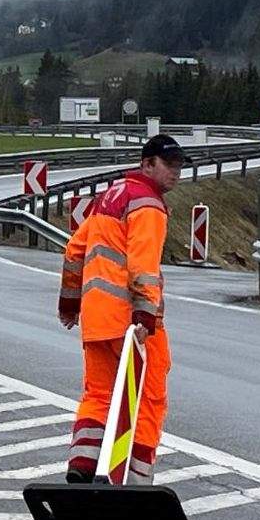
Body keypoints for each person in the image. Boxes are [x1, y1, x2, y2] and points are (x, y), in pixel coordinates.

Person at [58, 133, 186, 484]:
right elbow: (142, 264)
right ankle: (138, 478)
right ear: (147, 164)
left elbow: (74, 251)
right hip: (132, 322)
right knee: (149, 397)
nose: (174, 173)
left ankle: (82, 466)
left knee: (98, 394)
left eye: (178, 166)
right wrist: (145, 315)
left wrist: (70, 304)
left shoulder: (110, 196)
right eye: (168, 165)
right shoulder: (148, 204)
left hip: (96, 320)